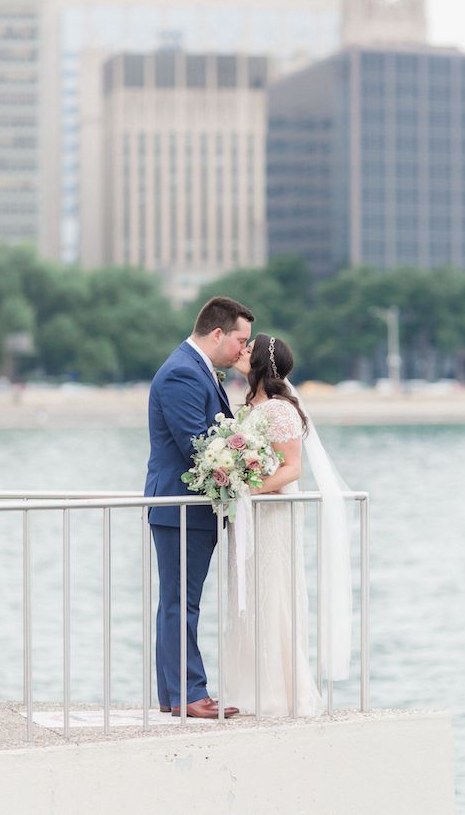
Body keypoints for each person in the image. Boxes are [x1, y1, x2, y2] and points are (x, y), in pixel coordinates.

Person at [145, 296, 253, 719]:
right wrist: (245, 464)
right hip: (181, 506)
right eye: (240, 341)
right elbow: (200, 446)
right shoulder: (181, 374)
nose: (243, 350)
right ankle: (189, 694)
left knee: (178, 601)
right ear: (217, 333)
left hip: (190, 507)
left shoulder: (198, 370)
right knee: (180, 603)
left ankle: (174, 695)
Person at [224, 333, 325, 716]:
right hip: (252, 517)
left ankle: (279, 691)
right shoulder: (252, 407)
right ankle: (251, 686)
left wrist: (251, 491)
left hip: (271, 516)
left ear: (262, 363)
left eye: (249, 349)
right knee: (248, 593)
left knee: (272, 591)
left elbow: (292, 468)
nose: (242, 351)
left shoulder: (280, 410)